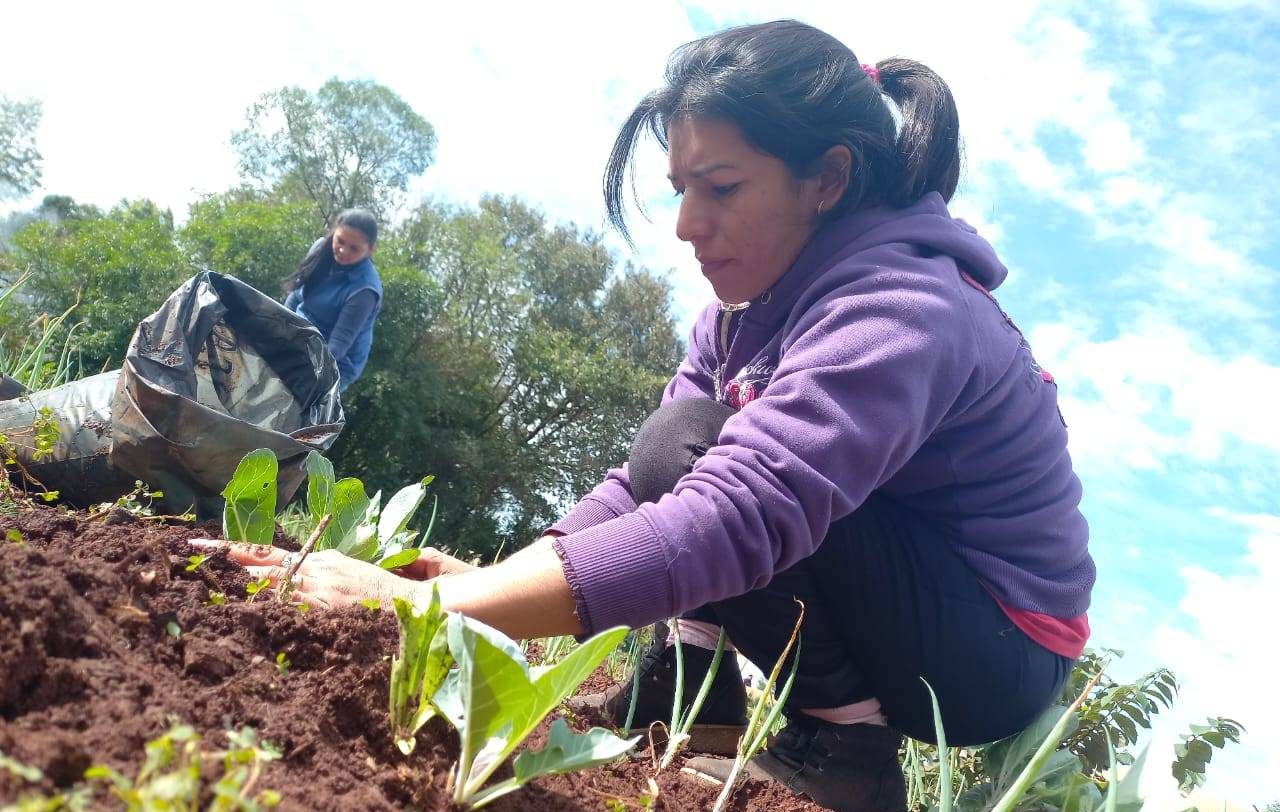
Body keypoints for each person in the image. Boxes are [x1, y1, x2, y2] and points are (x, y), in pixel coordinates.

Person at [201, 20, 1094, 812]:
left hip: (994, 646)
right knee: (682, 444)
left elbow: (741, 512)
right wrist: (488, 584)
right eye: (679, 189)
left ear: (828, 180)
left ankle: (848, 755)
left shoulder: (903, 306)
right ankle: (686, 699)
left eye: (721, 188)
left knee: (712, 462)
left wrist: (423, 610)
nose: (686, 226)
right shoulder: (741, 314)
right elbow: (645, 482)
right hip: (908, 586)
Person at [283, 208, 383, 392]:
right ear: (333, 232)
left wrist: (294, 364)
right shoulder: (321, 249)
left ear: (370, 250)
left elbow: (336, 348)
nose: (343, 250)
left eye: (354, 248)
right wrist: (278, 330)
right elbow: (295, 297)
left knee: (292, 403)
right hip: (301, 334)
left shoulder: (365, 291)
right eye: (340, 241)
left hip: (336, 362)